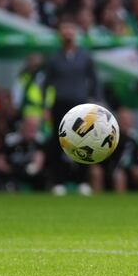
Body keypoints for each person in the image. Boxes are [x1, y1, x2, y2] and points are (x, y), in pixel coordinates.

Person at [43, 20, 101, 195]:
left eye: (70, 28)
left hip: (80, 105)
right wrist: (45, 106)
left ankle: (82, 181)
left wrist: (95, 101)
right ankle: (58, 181)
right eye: (64, 28)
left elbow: (94, 80)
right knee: (58, 142)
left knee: (84, 141)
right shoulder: (54, 58)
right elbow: (46, 84)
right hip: (60, 104)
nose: (68, 32)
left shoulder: (85, 57)